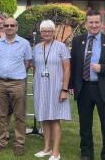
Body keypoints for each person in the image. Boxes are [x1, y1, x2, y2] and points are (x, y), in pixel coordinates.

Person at [70, 10, 105, 160]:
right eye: (91, 22)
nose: (94, 25)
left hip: (104, 89)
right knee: (85, 125)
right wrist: (71, 87)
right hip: (84, 89)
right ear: (86, 24)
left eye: (96, 22)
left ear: (101, 23)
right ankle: (86, 154)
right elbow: (73, 65)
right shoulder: (77, 41)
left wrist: (103, 68)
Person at [0, 17, 32, 156]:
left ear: (16, 27)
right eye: (6, 25)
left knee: (19, 114)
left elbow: (27, 62)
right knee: (0, 114)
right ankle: (1, 141)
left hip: (17, 83)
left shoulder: (24, 43)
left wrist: (17, 74)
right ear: (3, 27)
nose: (9, 27)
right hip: (0, 82)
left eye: (12, 25)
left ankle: (19, 143)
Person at [32, 20, 71, 160]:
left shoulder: (61, 47)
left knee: (54, 119)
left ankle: (56, 152)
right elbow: (35, 67)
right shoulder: (36, 47)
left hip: (56, 87)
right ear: (41, 32)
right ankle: (46, 148)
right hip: (40, 87)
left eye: (49, 30)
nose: (47, 33)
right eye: (44, 31)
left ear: (54, 32)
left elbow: (67, 68)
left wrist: (64, 89)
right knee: (44, 118)